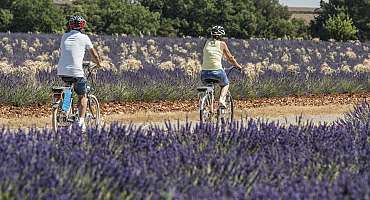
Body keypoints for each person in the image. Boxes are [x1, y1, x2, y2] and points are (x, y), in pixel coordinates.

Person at [57, 15, 101, 131]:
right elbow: (95, 55)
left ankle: (65, 110)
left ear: (70, 25)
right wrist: (99, 64)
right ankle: (81, 123)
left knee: (68, 89)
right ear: (83, 26)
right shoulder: (85, 38)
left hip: (62, 71)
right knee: (83, 95)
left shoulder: (64, 36)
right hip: (76, 71)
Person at [201, 25, 243, 108]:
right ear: (221, 35)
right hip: (217, 72)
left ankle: (210, 108)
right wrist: (238, 66)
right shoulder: (222, 44)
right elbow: (230, 58)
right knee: (225, 84)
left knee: (210, 89)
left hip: (204, 73)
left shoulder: (206, 42)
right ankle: (222, 100)